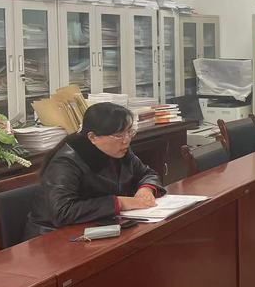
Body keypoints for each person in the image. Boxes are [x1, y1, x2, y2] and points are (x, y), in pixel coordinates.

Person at [25, 102, 165, 238]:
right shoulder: (67, 161)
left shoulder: (119, 150)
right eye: (119, 135)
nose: (126, 140)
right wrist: (119, 203)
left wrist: (146, 189)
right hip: (52, 237)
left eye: (129, 132)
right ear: (92, 137)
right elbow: (62, 212)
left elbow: (147, 173)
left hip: (98, 227)